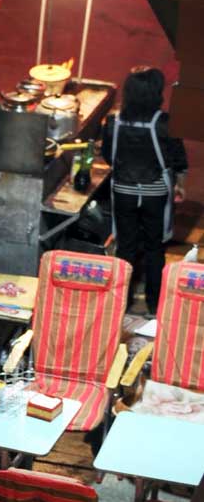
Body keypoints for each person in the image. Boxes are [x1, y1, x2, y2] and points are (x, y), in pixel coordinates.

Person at [102, 65, 189, 315]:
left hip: (123, 191)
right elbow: (178, 159)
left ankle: (121, 303)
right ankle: (153, 304)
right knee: (155, 247)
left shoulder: (114, 122)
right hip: (155, 194)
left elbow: (109, 157)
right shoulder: (164, 123)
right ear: (156, 93)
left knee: (126, 247)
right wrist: (180, 185)